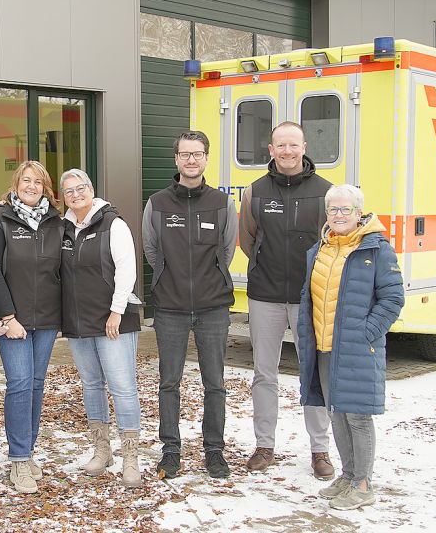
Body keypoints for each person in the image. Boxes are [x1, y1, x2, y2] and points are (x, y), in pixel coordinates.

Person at [296, 184, 404, 510]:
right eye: (333, 209)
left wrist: (365, 333)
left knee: (357, 417)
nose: (339, 215)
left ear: (359, 213)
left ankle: (363, 483)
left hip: (357, 348)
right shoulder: (319, 250)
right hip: (325, 349)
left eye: (346, 210)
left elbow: (393, 298)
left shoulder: (376, 250)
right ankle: (347, 476)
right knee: (336, 414)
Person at [238, 121, 336, 479]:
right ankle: (264, 445)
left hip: (309, 297)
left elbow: (333, 241)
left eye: (293, 145)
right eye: (281, 145)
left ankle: (320, 450)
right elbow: (247, 240)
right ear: (271, 150)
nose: (287, 152)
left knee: (313, 373)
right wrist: (265, 265)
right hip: (264, 296)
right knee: (264, 373)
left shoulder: (326, 192)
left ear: (305, 147)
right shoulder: (256, 192)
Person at [142, 131, 237, 480]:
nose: (191, 160)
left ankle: (214, 451)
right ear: (176, 159)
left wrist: (211, 278)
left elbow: (226, 251)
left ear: (207, 158)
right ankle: (171, 451)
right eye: (185, 154)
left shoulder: (222, 203)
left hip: (213, 307)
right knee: (169, 382)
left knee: (215, 382)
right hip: (170, 307)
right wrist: (169, 278)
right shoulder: (157, 203)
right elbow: (151, 251)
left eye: (197, 154)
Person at [59, 168, 144, 488]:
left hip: (113, 321)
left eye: (81, 188)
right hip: (79, 323)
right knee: (92, 385)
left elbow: (127, 271)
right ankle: (102, 449)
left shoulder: (113, 224)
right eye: (69, 191)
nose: (76, 194)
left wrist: (116, 311)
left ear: (92, 189)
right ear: (63, 198)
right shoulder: (63, 228)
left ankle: (131, 456)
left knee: (122, 387)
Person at [0, 161, 62, 494]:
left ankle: (27, 452)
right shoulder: (0, 219)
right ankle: (17, 459)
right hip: (10, 320)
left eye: (38, 182)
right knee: (19, 383)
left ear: (45, 187)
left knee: (36, 384)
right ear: (15, 184)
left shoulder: (55, 221)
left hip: (46, 318)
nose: (32, 186)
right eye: (26, 180)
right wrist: (8, 316)